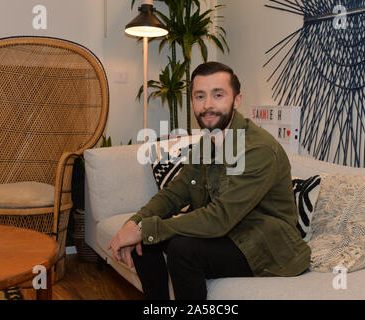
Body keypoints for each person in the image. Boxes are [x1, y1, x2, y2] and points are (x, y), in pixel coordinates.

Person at [108, 62, 311, 300]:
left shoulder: (258, 149)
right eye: (200, 96)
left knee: (182, 250)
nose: (208, 106)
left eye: (218, 95)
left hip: (266, 244)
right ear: (192, 102)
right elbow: (175, 193)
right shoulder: (208, 141)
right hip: (230, 231)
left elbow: (221, 217)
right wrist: (134, 224)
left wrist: (146, 230)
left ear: (236, 100)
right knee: (149, 242)